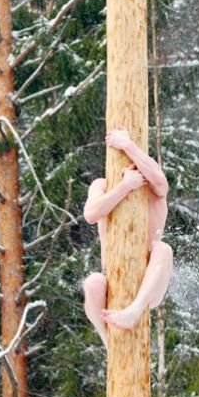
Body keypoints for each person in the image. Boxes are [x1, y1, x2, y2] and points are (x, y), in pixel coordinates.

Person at [82, 128, 172, 348]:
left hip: (149, 281)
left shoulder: (153, 185)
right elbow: (91, 215)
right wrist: (125, 186)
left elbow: (160, 182)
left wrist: (128, 145)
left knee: (164, 249)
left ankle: (133, 311)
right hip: (113, 278)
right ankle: (108, 342)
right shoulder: (101, 185)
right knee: (92, 282)